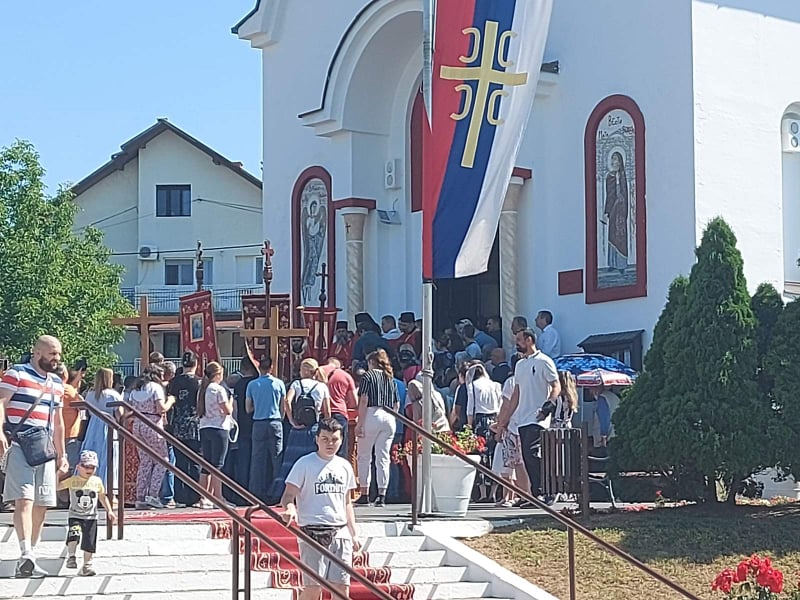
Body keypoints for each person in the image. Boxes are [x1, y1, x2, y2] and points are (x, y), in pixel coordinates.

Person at [1, 336, 69, 578]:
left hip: (45, 448)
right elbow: (1, 402)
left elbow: (58, 422)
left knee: (42, 503)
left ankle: (30, 555)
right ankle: (25, 551)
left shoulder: (57, 383)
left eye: (58, 354)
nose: (57, 359)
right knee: (24, 499)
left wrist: (62, 454)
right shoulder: (17, 373)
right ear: (38, 353)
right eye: (52, 354)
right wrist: (0, 432)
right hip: (20, 444)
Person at [280, 417, 360, 600]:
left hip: (340, 532)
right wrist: (290, 508)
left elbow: (347, 502)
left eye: (334, 439)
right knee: (312, 588)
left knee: (341, 588)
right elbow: (288, 495)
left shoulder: (345, 466)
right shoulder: (304, 464)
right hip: (312, 532)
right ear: (317, 439)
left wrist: (354, 532)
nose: (330, 443)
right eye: (325, 439)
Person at [496, 328, 560, 500]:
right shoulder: (520, 365)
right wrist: (504, 422)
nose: (516, 343)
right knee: (526, 456)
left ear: (529, 340)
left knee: (531, 453)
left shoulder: (544, 361)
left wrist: (549, 405)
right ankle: (537, 494)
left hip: (538, 417)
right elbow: (516, 394)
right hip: (522, 419)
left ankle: (549, 490)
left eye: (519, 339)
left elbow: (556, 385)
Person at [270, 358, 331, 501]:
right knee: (313, 461)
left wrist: (291, 420)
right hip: (313, 427)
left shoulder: (296, 384)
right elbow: (327, 411)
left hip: (298, 428)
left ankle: (285, 495)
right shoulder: (322, 387)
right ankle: (311, 493)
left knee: (292, 462)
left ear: (303, 370)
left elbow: (286, 400)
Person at [59, 450, 116, 576]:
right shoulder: (73, 480)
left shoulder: (97, 481)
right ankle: (72, 556)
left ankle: (87, 565)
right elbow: (57, 486)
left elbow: (102, 496)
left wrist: (109, 511)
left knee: (89, 542)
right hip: (75, 515)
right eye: (86, 466)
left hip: (91, 517)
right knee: (74, 533)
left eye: (92, 467)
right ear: (79, 467)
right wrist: (58, 474)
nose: (89, 469)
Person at [354, 349, 399, 507]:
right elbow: (396, 404)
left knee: (364, 456)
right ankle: (382, 494)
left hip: (372, 414)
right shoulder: (390, 378)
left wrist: (360, 423)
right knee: (383, 458)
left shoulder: (368, 376)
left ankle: (365, 493)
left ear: (372, 362)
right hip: (389, 416)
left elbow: (364, 400)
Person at [128, 365, 173, 509]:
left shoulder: (136, 389)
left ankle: (140, 496)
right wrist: (171, 400)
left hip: (138, 424)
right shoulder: (155, 387)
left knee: (145, 461)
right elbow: (161, 408)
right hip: (152, 423)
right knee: (162, 459)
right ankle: (153, 495)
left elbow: (130, 408)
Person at [246, 357, 286, 502]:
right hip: (275, 421)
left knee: (257, 458)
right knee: (277, 457)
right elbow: (283, 406)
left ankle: (255, 492)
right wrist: (280, 417)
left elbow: (248, 408)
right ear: (272, 367)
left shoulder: (252, 384)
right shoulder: (279, 383)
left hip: (258, 422)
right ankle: (277, 491)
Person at [166, 351, 201, 507]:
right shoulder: (199, 383)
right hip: (194, 424)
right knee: (195, 462)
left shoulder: (173, 383)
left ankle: (180, 496)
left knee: (180, 461)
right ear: (196, 364)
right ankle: (194, 496)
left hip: (178, 424)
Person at [197, 361, 234, 508]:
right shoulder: (218, 389)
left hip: (205, 426)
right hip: (219, 427)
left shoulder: (203, 389)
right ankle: (218, 498)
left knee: (207, 464)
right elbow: (227, 410)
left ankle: (203, 497)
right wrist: (231, 400)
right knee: (218, 464)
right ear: (218, 374)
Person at [80, 368, 122, 487]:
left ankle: (88, 483)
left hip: (93, 427)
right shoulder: (113, 394)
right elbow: (120, 414)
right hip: (108, 425)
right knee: (108, 457)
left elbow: (87, 412)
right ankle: (108, 487)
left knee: (91, 455)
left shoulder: (90, 394)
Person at [231, 355, 258, 503]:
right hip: (254, 422)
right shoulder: (255, 383)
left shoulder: (239, 384)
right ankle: (252, 492)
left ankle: (240, 492)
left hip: (241, 424)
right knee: (255, 460)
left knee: (243, 460)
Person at [321, 358, 358, 458]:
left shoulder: (319, 371)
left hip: (321, 413)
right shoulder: (346, 376)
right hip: (339, 413)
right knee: (340, 446)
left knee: (321, 446)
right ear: (340, 366)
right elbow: (354, 401)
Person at [603, 151, 629, 274]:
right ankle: (613, 263)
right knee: (612, 235)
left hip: (621, 210)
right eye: (613, 159)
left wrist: (625, 210)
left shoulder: (623, 176)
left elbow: (625, 193)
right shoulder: (609, 177)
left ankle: (622, 264)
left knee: (621, 236)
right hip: (613, 210)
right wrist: (606, 212)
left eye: (617, 160)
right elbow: (609, 195)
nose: (614, 162)